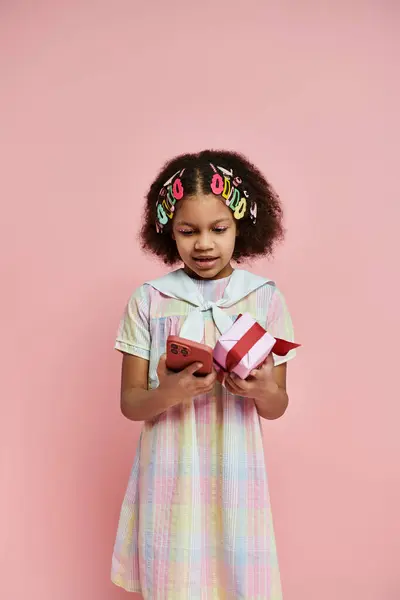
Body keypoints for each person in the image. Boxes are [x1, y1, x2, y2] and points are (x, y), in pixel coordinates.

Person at [111, 149, 297, 599]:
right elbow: (130, 404)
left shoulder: (264, 299)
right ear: (167, 232)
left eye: (219, 229)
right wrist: (170, 391)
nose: (204, 244)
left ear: (241, 227)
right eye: (187, 231)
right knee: (175, 581)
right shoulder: (150, 299)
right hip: (170, 473)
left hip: (236, 472)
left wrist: (262, 389)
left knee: (238, 582)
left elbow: (277, 407)